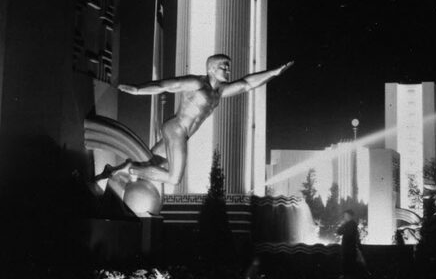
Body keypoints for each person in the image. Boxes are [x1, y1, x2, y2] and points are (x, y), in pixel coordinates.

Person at [96, 54, 293, 186]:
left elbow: (247, 84)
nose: (228, 71)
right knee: (174, 179)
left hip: (182, 133)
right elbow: (165, 85)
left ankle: (114, 170)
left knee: (152, 165)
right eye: (224, 67)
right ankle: (130, 168)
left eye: (228, 68)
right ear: (212, 68)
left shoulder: (219, 91)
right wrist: (138, 90)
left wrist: (274, 73)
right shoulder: (197, 83)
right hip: (177, 129)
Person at [336, 210, 366, 279]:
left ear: (350, 216)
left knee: (347, 266)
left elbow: (339, 232)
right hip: (349, 249)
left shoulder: (350, 224)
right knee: (349, 266)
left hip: (348, 249)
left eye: (345, 215)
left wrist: (343, 225)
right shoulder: (352, 224)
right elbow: (339, 232)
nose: (344, 217)